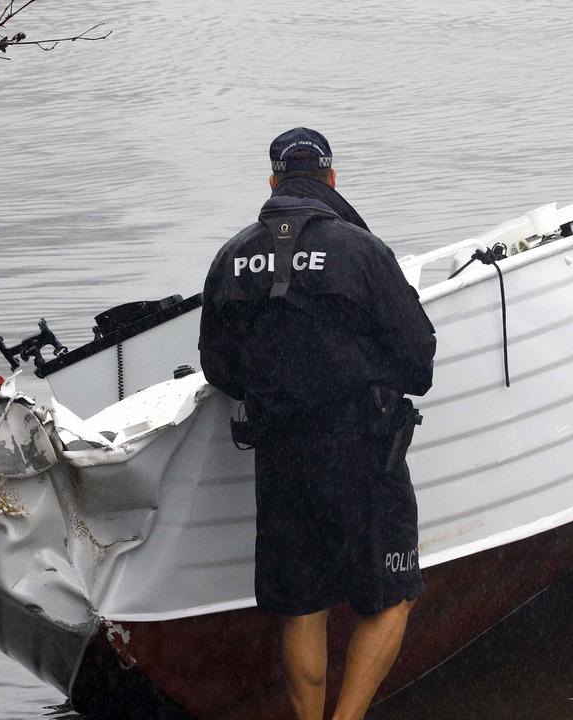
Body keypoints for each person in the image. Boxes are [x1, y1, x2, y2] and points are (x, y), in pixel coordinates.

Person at [199, 127, 436, 720]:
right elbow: (419, 359)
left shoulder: (232, 257)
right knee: (392, 597)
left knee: (302, 605)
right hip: (365, 455)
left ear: (274, 182)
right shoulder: (361, 250)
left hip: (281, 460)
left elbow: (217, 367)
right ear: (331, 179)